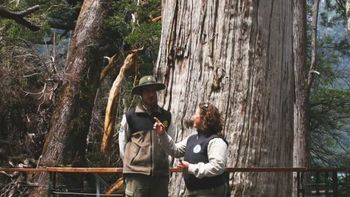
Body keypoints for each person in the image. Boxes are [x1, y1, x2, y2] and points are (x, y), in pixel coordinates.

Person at [154, 102, 229, 197]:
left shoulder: (216, 141)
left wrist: (190, 168)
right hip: (191, 191)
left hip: (210, 191)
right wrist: (162, 134)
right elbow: (175, 150)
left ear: (203, 118)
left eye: (195, 114)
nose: (193, 117)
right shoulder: (192, 138)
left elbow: (217, 167)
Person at [118, 75, 172, 197]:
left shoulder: (166, 116)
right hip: (137, 175)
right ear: (141, 93)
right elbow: (122, 143)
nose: (151, 94)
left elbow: (170, 143)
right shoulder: (130, 116)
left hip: (160, 175)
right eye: (147, 91)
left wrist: (164, 162)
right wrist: (131, 161)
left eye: (153, 91)